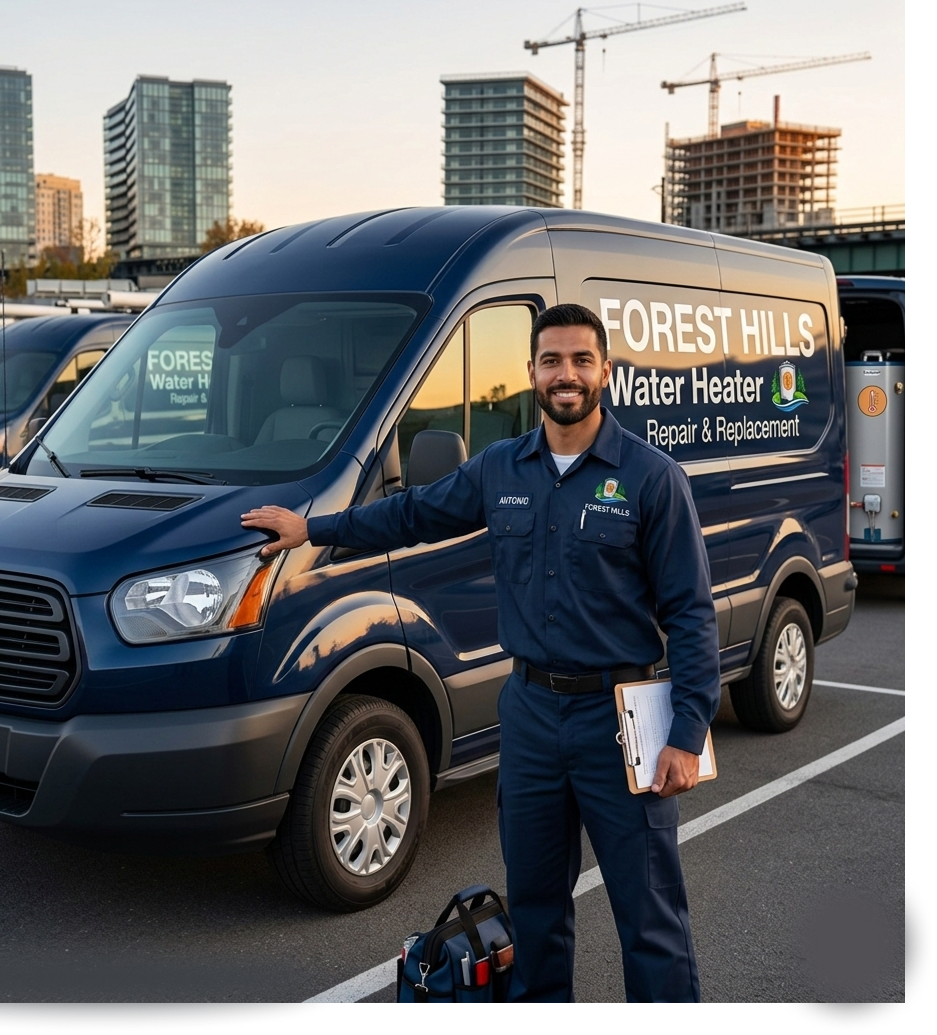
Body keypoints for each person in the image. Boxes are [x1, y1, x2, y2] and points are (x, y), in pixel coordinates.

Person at [241, 303, 720, 1002]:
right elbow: (410, 514)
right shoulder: (502, 469)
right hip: (528, 716)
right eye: (551, 360)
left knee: (649, 917)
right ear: (529, 372)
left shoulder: (651, 479)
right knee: (533, 908)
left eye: (581, 360)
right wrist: (310, 527)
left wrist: (685, 731)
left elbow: (691, 614)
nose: (566, 375)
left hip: (618, 720)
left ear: (605, 373)